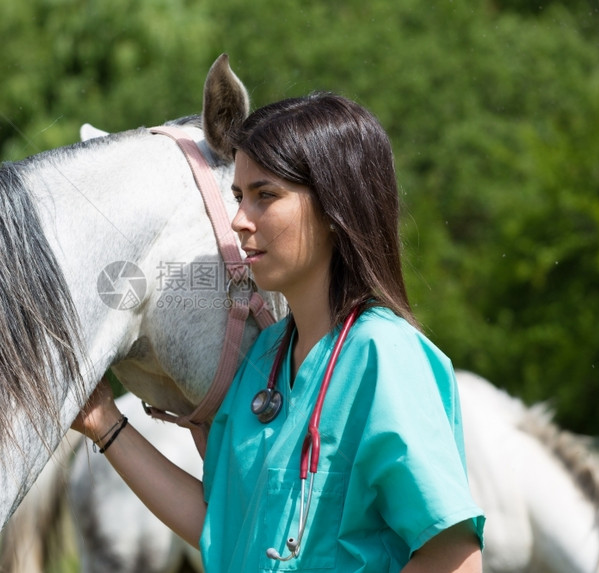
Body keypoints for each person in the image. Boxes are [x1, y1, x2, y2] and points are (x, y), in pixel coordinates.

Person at [72, 92, 485, 572]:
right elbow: (221, 525)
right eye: (238, 196)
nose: (238, 221)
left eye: (265, 196)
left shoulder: (385, 356)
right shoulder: (262, 361)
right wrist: (103, 421)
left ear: (336, 208)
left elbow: (454, 556)